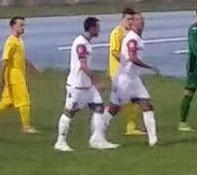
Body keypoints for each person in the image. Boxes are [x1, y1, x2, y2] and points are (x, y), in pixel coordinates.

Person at [54, 16, 118, 152]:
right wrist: (96, 81)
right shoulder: (81, 44)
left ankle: (97, 140)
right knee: (69, 112)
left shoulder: (86, 43)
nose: (99, 30)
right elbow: (83, 65)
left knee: (99, 108)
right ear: (92, 28)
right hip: (77, 86)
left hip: (87, 86)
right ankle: (60, 142)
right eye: (98, 27)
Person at [105, 12, 160, 147]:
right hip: (124, 79)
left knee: (146, 104)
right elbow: (132, 58)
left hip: (133, 78)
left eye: (142, 20)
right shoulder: (132, 39)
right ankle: (98, 132)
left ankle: (153, 139)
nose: (142, 22)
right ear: (133, 23)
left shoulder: (135, 37)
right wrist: (149, 67)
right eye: (138, 20)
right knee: (114, 109)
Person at [0, 16, 39, 134]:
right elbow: (5, 61)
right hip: (14, 76)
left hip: (18, 74)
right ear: (13, 26)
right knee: (24, 101)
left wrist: (32, 67)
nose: (23, 28)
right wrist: (0, 78)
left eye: (24, 25)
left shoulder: (19, 40)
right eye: (21, 25)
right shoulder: (11, 42)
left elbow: (22, 58)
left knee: (7, 101)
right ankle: (26, 126)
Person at [108, 8, 145, 137]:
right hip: (117, 72)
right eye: (128, 19)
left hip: (128, 73)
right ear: (122, 19)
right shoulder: (116, 32)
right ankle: (102, 119)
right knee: (120, 103)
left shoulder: (131, 34)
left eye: (132, 19)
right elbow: (114, 51)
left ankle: (131, 127)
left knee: (133, 101)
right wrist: (126, 60)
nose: (130, 22)